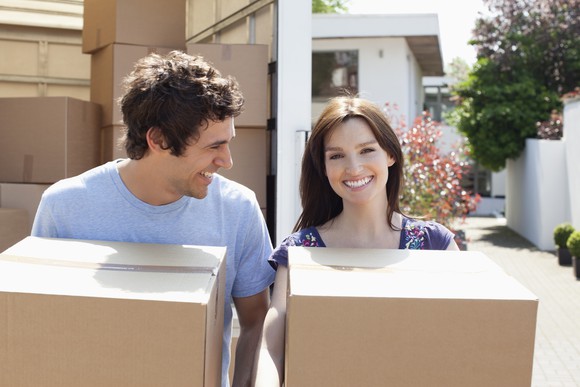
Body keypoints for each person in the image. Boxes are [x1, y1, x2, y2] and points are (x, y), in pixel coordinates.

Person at [31, 51, 276, 387]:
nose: (227, 161)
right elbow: (38, 321)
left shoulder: (238, 209)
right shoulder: (65, 207)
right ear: (158, 139)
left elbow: (256, 321)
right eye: (213, 146)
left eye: (228, 143)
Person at [252, 96, 459, 386]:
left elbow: (464, 337)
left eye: (366, 150)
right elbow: (271, 349)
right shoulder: (300, 252)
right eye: (336, 155)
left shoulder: (436, 245)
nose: (353, 167)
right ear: (323, 168)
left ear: (390, 154)